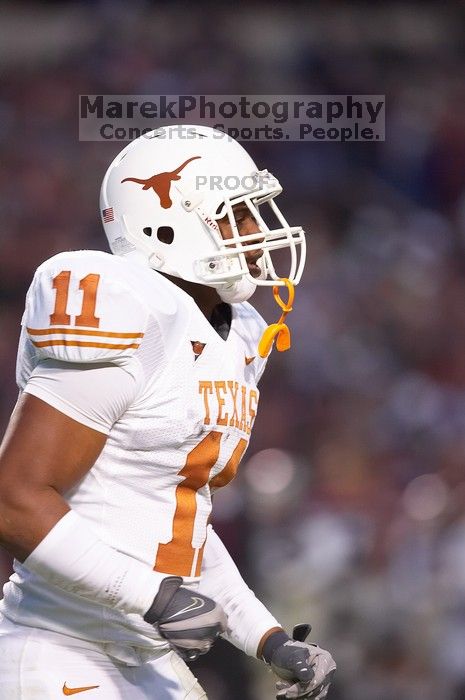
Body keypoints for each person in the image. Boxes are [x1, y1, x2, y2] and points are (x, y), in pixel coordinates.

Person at [0, 124, 335, 699]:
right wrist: (152, 596)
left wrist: (267, 639)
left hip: (146, 655)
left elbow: (179, 523)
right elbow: (14, 498)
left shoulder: (236, 334)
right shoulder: (123, 303)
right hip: (61, 648)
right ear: (166, 223)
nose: (257, 233)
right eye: (236, 216)